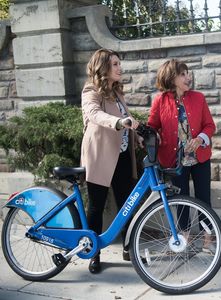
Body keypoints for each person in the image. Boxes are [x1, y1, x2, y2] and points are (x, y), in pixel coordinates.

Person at [81, 48, 141, 274]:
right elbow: (94, 114)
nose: (119, 67)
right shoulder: (91, 90)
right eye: (115, 64)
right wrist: (118, 121)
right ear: (103, 67)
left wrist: (139, 135)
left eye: (119, 63)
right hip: (101, 156)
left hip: (123, 155)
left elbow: (128, 121)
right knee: (96, 206)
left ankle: (129, 248)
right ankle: (93, 252)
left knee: (127, 203)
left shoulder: (117, 93)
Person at [147, 59, 216, 252]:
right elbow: (152, 127)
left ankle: (208, 239)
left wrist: (201, 139)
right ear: (172, 78)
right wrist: (155, 136)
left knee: (204, 199)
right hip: (175, 160)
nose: (188, 77)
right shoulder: (160, 100)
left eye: (188, 73)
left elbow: (210, 126)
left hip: (199, 157)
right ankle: (183, 237)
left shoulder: (198, 98)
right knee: (181, 199)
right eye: (183, 74)